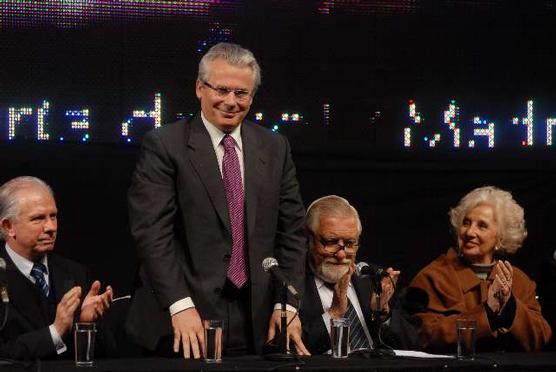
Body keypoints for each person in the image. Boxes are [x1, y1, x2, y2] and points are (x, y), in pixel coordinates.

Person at [125, 42, 308, 358]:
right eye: (221, 90)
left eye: (242, 93)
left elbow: (292, 232)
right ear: (199, 87)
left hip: (257, 322)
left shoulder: (275, 147)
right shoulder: (165, 145)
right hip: (183, 319)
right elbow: (152, 233)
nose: (231, 102)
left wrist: (287, 303)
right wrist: (179, 304)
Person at [408, 186, 551, 352]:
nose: (470, 232)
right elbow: (421, 335)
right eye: (466, 223)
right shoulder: (434, 276)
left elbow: (542, 337)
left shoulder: (519, 280)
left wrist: (509, 306)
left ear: (500, 237)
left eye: (482, 226)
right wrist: (487, 313)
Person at [0, 176, 113, 360]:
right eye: (38, 219)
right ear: (8, 226)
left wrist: (85, 325)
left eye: (53, 216)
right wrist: (55, 332)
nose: (51, 227)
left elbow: (108, 356)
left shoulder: (75, 273)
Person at [299, 195, 417, 355]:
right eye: (331, 242)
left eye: (349, 244)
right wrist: (333, 314)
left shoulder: (373, 279)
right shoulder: (292, 284)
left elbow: (412, 345)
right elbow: (289, 350)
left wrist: (383, 314)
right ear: (309, 239)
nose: (341, 255)